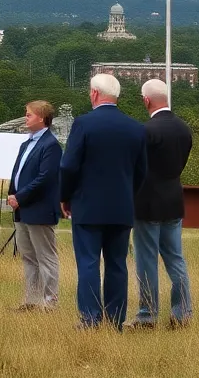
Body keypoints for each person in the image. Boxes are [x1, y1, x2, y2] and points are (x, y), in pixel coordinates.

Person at [59, 73, 148, 330]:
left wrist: (65, 197)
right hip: (121, 208)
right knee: (117, 265)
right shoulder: (136, 128)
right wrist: (128, 195)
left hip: (87, 207)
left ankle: (90, 318)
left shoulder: (84, 124)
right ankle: (115, 320)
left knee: (88, 263)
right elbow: (141, 172)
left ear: (95, 94)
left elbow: (68, 166)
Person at [129, 79, 194, 330]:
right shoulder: (184, 129)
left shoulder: (147, 131)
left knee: (146, 261)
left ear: (146, 100)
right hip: (174, 200)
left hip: (146, 203)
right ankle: (182, 312)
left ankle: (147, 315)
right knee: (176, 259)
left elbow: (137, 167)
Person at [6, 100, 62, 312]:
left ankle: (50, 303)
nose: (26, 117)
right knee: (28, 256)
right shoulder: (26, 144)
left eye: (29, 114)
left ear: (41, 117)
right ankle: (31, 301)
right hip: (22, 209)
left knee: (45, 257)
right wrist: (12, 194)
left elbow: (45, 178)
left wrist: (20, 196)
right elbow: (18, 172)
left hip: (39, 209)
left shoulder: (51, 145)